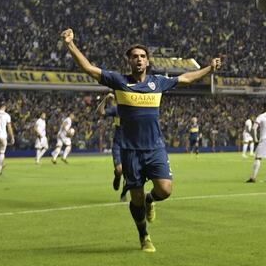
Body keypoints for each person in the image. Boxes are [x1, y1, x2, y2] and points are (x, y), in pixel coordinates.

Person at [61, 27, 221, 253]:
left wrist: (209, 69)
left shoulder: (158, 82)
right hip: (130, 151)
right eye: (135, 57)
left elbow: (185, 78)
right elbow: (88, 68)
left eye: (142, 57)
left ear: (147, 62)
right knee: (134, 199)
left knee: (165, 190)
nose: (139, 60)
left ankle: (150, 199)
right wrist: (70, 44)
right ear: (129, 61)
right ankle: (144, 235)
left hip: (155, 148)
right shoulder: (118, 81)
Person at [97, 93, 129, 201]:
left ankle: (123, 194)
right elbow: (100, 112)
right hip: (118, 144)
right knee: (119, 170)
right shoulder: (117, 109)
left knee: (130, 175)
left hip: (131, 146)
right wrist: (105, 99)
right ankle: (117, 176)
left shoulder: (135, 110)